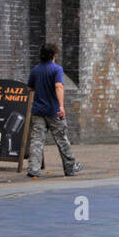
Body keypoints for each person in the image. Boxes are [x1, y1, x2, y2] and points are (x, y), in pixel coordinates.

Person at [26, 42, 84, 178]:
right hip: (53, 110)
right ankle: (70, 168)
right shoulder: (56, 69)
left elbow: (29, 88)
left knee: (36, 140)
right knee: (62, 139)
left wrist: (41, 88)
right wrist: (61, 106)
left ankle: (33, 169)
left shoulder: (36, 70)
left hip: (38, 111)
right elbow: (58, 86)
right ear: (54, 55)